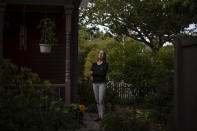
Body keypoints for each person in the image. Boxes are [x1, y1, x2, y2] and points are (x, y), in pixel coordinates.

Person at [90, 50, 108, 121]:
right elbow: (91, 73)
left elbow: (103, 74)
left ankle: (102, 116)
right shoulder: (94, 64)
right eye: (99, 53)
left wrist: (94, 72)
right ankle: (99, 116)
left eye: (102, 53)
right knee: (97, 100)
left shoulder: (106, 64)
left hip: (102, 84)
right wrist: (98, 72)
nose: (100, 54)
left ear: (104, 56)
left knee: (101, 100)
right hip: (94, 83)